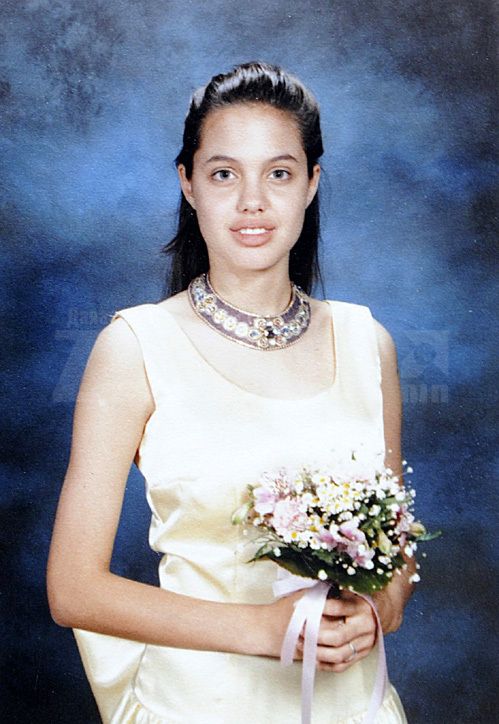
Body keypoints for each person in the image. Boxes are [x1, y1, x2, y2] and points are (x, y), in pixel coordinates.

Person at [47, 61, 414, 723]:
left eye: (279, 173)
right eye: (224, 173)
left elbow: (395, 548)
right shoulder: (135, 347)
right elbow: (73, 589)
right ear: (188, 184)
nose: (252, 202)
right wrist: (262, 630)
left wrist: (375, 609)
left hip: (354, 706)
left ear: (311, 184)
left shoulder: (367, 343)